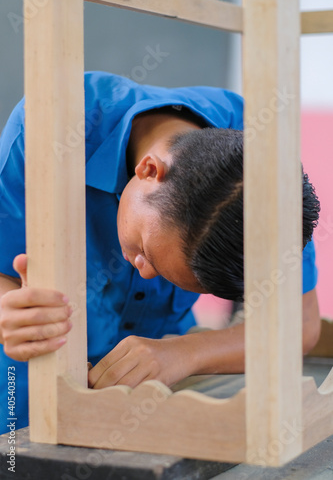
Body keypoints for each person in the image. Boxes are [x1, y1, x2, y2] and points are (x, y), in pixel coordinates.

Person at [0, 72, 320, 434]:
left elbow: (301, 324)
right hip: (28, 377)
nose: (145, 272)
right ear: (149, 170)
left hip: (157, 386)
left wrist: (186, 353)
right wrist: (8, 309)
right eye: (145, 252)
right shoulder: (50, 125)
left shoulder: (264, 169)